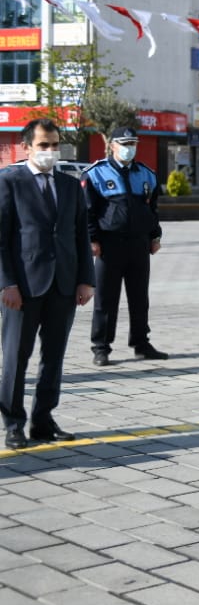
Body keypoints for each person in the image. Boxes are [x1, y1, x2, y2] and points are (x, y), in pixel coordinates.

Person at [0, 118, 94, 450]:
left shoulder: (70, 185)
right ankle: (13, 423)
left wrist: (86, 279)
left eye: (55, 145)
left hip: (64, 286)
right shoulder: (10, 181)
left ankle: (43, 420)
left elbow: (80, 235)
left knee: (53, 357)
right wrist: (6, 283)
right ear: (27, 146)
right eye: (43, 145)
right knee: (16, 357)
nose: (50, 151)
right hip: (22, 288)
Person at [83, 125, 166, 365]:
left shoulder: (147, 174)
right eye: (124, 144)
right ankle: (101, 347)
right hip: (109, 245)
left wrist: (155, 236)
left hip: (139, 244)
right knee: (106, 299)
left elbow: (152, 210)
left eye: (133, 144)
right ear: (112, 145)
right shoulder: (96, 173)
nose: (129, 148)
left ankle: (141, 343)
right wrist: (93, 239)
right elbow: (88, 212)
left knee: (140, 297)